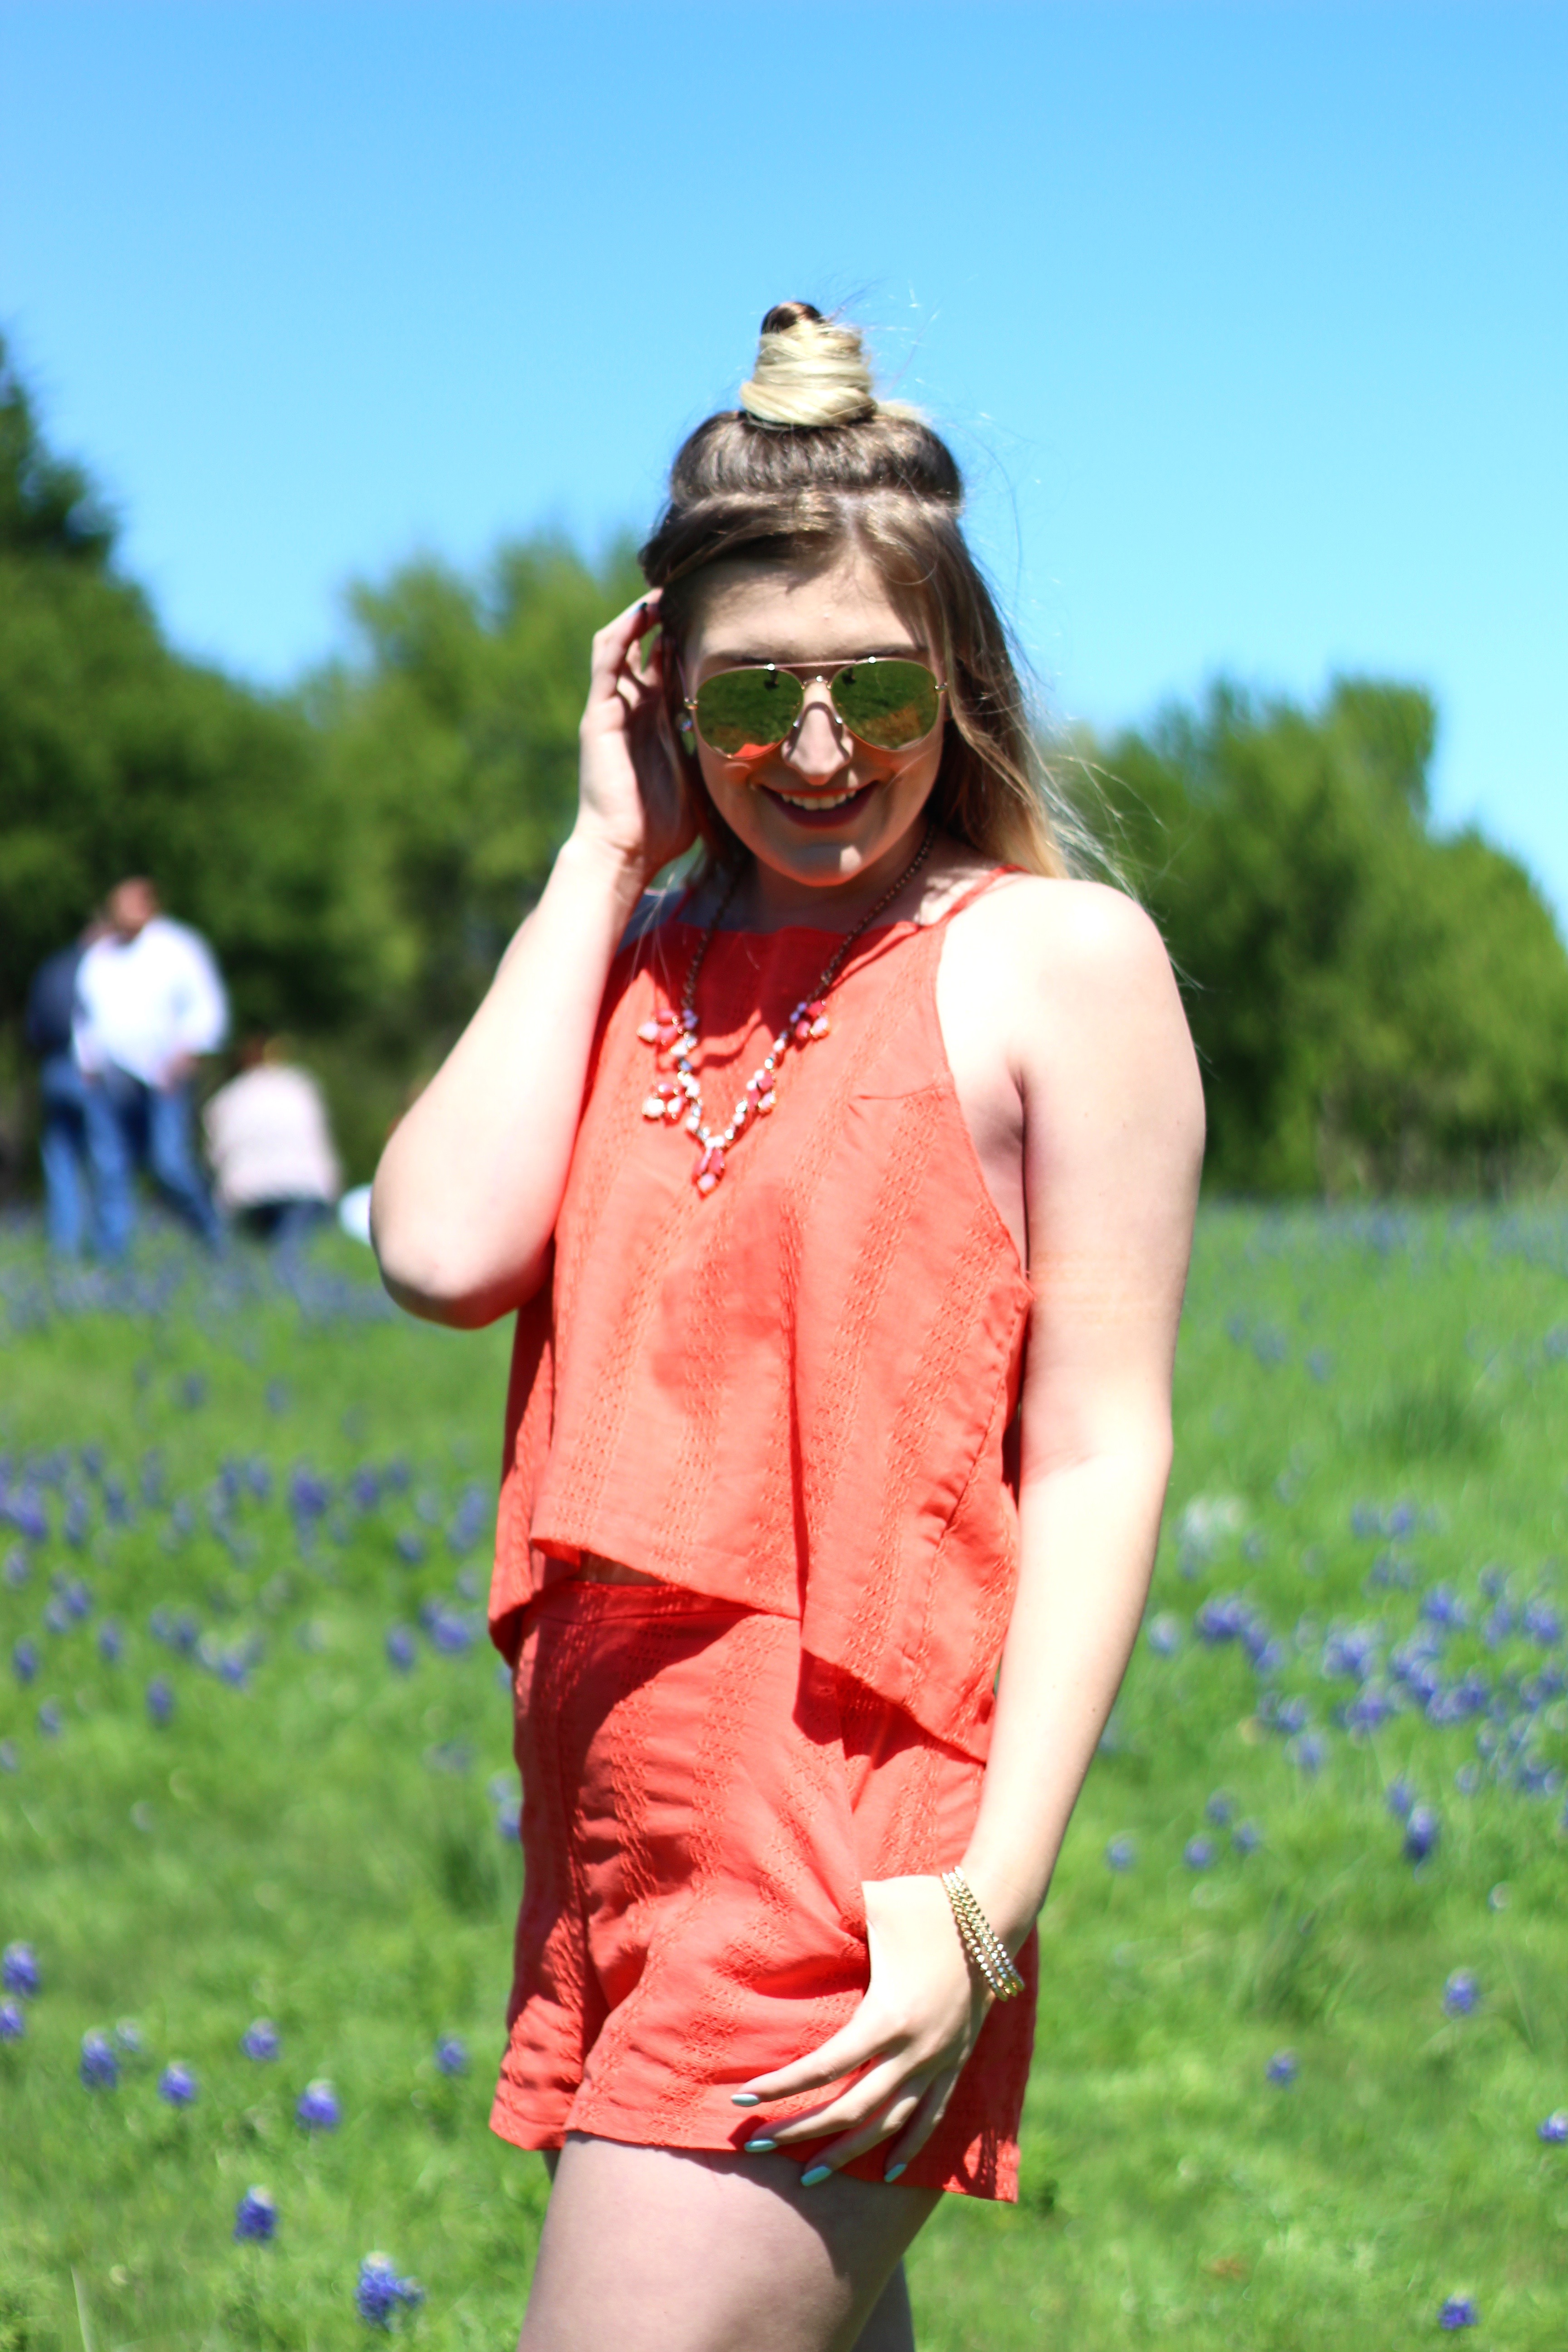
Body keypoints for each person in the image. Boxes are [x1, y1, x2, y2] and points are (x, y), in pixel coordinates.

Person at [371, 304, 1204, 2352]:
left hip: (848, 1862)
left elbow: (1098, 1450)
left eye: (875, 688)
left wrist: (985, 1906)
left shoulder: (1049, 964)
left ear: (962, 680)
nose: (817, 753)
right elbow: (436, 1238)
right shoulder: (643, 954)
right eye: (749, 695)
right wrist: (597, 848)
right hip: (613, 1833)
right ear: (663, 693)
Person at [74, 877, 228, 1254]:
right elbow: (84, 1015)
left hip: (163, 1080)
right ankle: (113, 1258)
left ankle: (211, 1236)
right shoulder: (99, 956)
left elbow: (207, 1009)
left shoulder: (177, 948)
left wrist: (187, 1054)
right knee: (110, 1169)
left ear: (150, 906)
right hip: (110, 1080)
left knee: (169, 1164)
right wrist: (87, 1061)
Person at [201, 1036, 343, 1248]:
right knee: (292, 1255)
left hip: (247, 1190)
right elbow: (322, 1140)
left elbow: (214, 1154)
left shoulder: (229, 1097)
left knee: (256, 1255)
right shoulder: (301, 1087)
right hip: (306, 1185)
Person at [24, 917, 109, 1256]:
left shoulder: (52, 968)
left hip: (53, 1069)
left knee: (61, 1160)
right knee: (106, 1155)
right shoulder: (104, 969)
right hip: (92, 1071)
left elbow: (33, 1028)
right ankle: (108, 1249)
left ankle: (64, 1245)